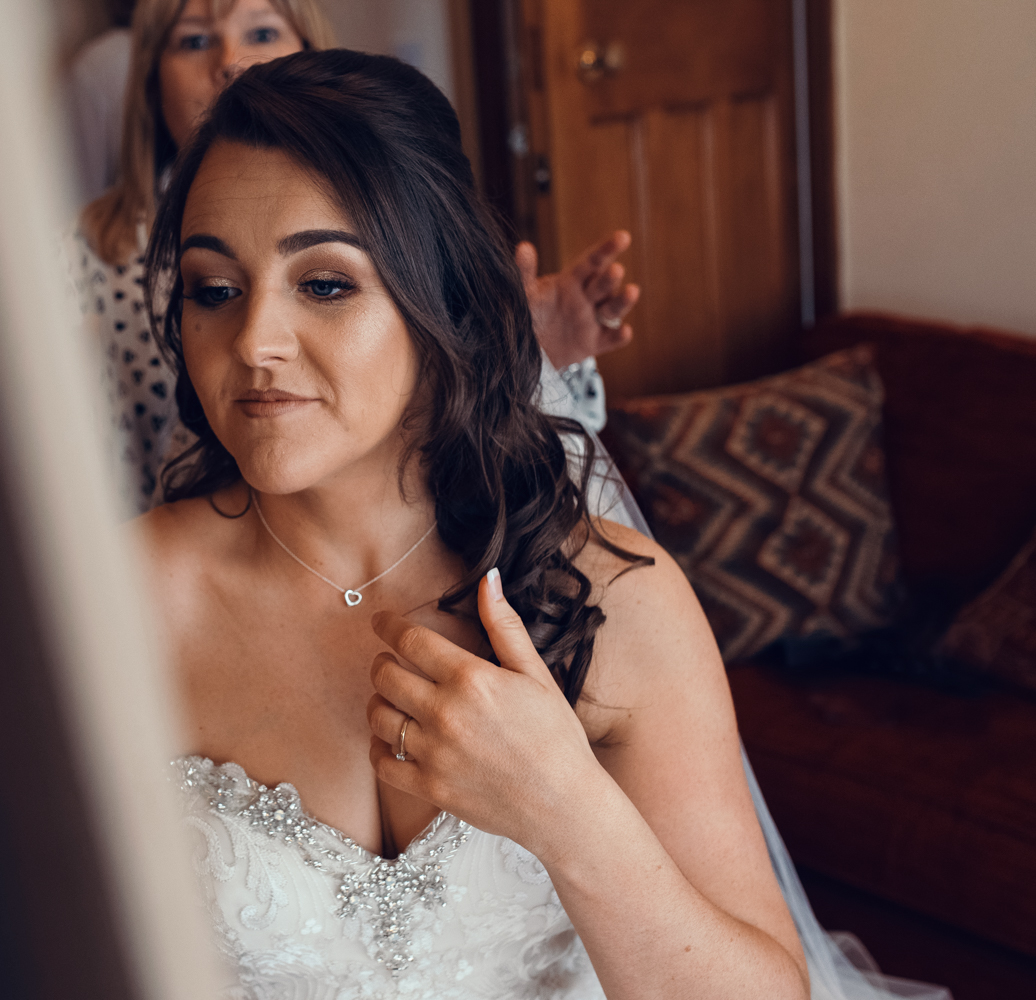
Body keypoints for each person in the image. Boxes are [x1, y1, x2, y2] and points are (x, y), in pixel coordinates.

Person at [138, 50, 950, 1000]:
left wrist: (565, 811)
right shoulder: (120, 599)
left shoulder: (619, 598)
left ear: (442, 297)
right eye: (213, 289)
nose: (254, 344)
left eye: (324, 284)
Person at [69, 0, 640, 513]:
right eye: (215, 291)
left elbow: (529, 473)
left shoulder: (399, 205)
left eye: (323, 285)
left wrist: (518, 352)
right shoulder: (95, 255)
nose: (230, 60)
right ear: (148, 82)